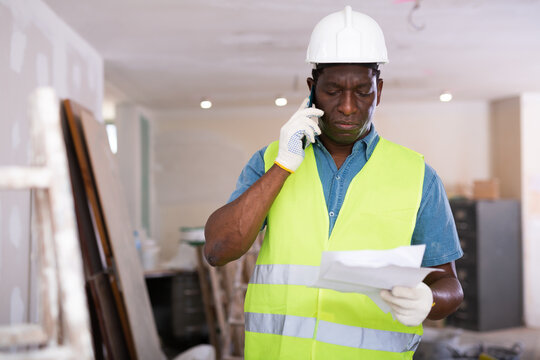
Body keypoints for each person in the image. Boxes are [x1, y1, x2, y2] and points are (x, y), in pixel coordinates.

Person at [204, 6, 463, 359]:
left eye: (362, 91)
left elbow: (449, 283)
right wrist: (284, 164)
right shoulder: (269, 161)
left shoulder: (419, 176)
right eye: (332, 90)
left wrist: (429, 300)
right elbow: (218, 250)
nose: (346, 106)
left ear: (379, 90)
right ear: (311, 90)